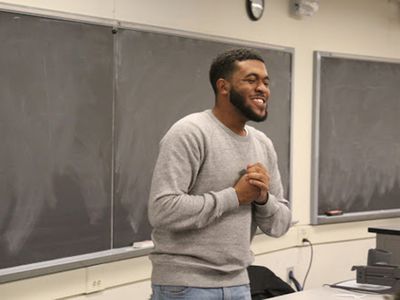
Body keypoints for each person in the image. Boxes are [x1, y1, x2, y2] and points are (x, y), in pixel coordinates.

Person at [148, 48, 292, 300]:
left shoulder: (263, 144)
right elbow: (163, 210)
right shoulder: (190, 133)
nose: (262, 89)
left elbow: (280, 225)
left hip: (239, 282)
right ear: (223, 87)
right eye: (251, 80)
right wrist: (235, 196)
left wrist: (262, 199)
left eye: (266, 82)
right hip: (186, 286)